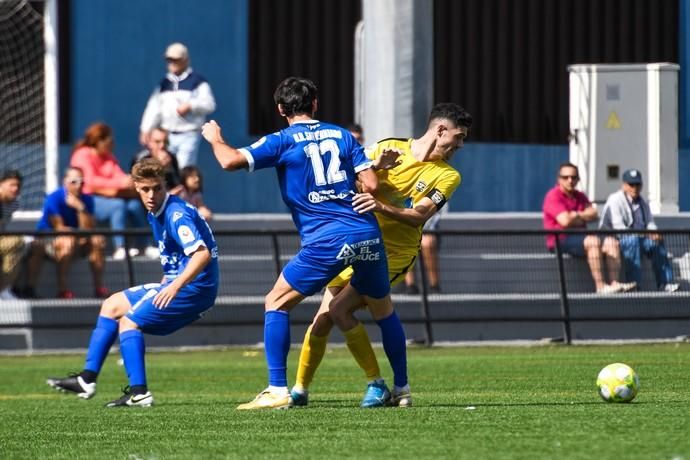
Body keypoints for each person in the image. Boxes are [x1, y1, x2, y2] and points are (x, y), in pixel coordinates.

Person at [202, 76, 404, 410]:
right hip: (366, 232)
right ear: (315, 105)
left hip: (326, 238)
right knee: (384, 311)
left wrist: (216, 138)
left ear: (281, 109)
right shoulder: (342, 135)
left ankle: (277, 388)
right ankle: (403, 389)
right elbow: (370, 183)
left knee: (276, 302)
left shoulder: (282, 139)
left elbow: (229, 161)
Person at [291, 103, 472, 408]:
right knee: (324, 320)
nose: (460, 145)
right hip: (358, 242)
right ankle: (299, 390)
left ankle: (381, 384)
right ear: (441, 130)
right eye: (459, 136)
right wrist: (376, 168)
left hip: (394, 252)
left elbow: (418, 216)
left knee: (341, 309)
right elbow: (350, 179)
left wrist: (381, 206)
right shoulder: (388, 147)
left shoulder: (448, 176)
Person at [46, 158, 219, 407]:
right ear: (136, 187)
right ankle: (87, 378)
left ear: (165, 185)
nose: (151, 195)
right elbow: (176, 258)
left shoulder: (175, 214)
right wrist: (167, 281)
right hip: (181, 282)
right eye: (145, 189)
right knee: (112, 305)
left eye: (157, 188)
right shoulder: (155, 211)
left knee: (129, 322)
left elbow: (201, 254)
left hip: (195, 289)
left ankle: (139, 393)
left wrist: (174, 286)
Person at [543, 162, 636, 294]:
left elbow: (594, 214)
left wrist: (575, 215)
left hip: (581, 237)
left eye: (574, 177)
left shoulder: (580, 196)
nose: (570, 180)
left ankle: (614, 284)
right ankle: (601, 286)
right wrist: (580, 217)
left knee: (611, 242)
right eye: (566, 177)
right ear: (559, 179)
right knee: (593, 241)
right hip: (560, 239)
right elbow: (564, 221)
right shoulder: (553, 196)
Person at [20, 167, 107, 299]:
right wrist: (80, 235)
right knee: (68, 240)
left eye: (81, 182)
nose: (78, 186)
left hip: (76, 241)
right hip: (49, 240)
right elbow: (59, 227)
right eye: (74, 182)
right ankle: (62, 289)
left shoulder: (87, 200)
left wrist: (80, 208)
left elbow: (88, 229)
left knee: (96, 240)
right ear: (65, 182)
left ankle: (99, 288)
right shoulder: (53, 198)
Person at [70, 122, 149, 260]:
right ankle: (120, 248)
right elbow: (90, 182)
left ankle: (145, 246)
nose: (112, 144)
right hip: (89, 198)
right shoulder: (82, 155)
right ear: (98, 141)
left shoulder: (108, 156)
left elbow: (118, 175)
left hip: (109, 195)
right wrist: (119, 183)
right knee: (118, 206)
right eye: (109, 141)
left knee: (134, 205)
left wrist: (129, 181)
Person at [599, 169, 679, 292]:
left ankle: (664, 283)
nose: (635, 188)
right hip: (614, 239)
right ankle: (635, 284)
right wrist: (646, 234)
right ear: (624, 185)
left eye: (638, 184)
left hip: (639, 238)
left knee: (656, 243)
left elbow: (650, 223)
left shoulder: (642, 202)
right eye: (631, 185)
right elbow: (619, 228)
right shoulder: (615, 199)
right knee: (632, 241)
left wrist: (654, 233)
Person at [139, 42, 216, 169]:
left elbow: (209, 104)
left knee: (183, 168)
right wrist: (146, 129)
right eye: (169, 60)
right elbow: (154, 107)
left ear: (185, 60)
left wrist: (191, 105)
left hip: (188, 133)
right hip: (166, 136)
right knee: (164, 168)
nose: (172, 63)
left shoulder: (197, 81)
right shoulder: (165, 83)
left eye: (176, 59)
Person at [403, 205, 447, 294]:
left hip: (428, 229)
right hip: (406, 228)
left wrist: (426, 230)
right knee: (404, 241)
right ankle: (410, 285)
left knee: (427, 242)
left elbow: (435, 212)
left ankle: (434, 285)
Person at [131, 127, 182, 192]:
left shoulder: (172, 158)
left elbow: (178, 184)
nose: (162, 145)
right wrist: (160, 167)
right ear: (149, 143)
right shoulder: (140, 159)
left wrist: (169, 168)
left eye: (165, 142)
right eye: (157, 142)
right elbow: (140, 187)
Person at [0, 170, 24, 300]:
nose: (15, 189)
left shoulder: (14, 203)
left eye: (18, 186)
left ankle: (4, 289)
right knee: (16, 241)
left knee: (18, 245)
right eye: (12, 185)